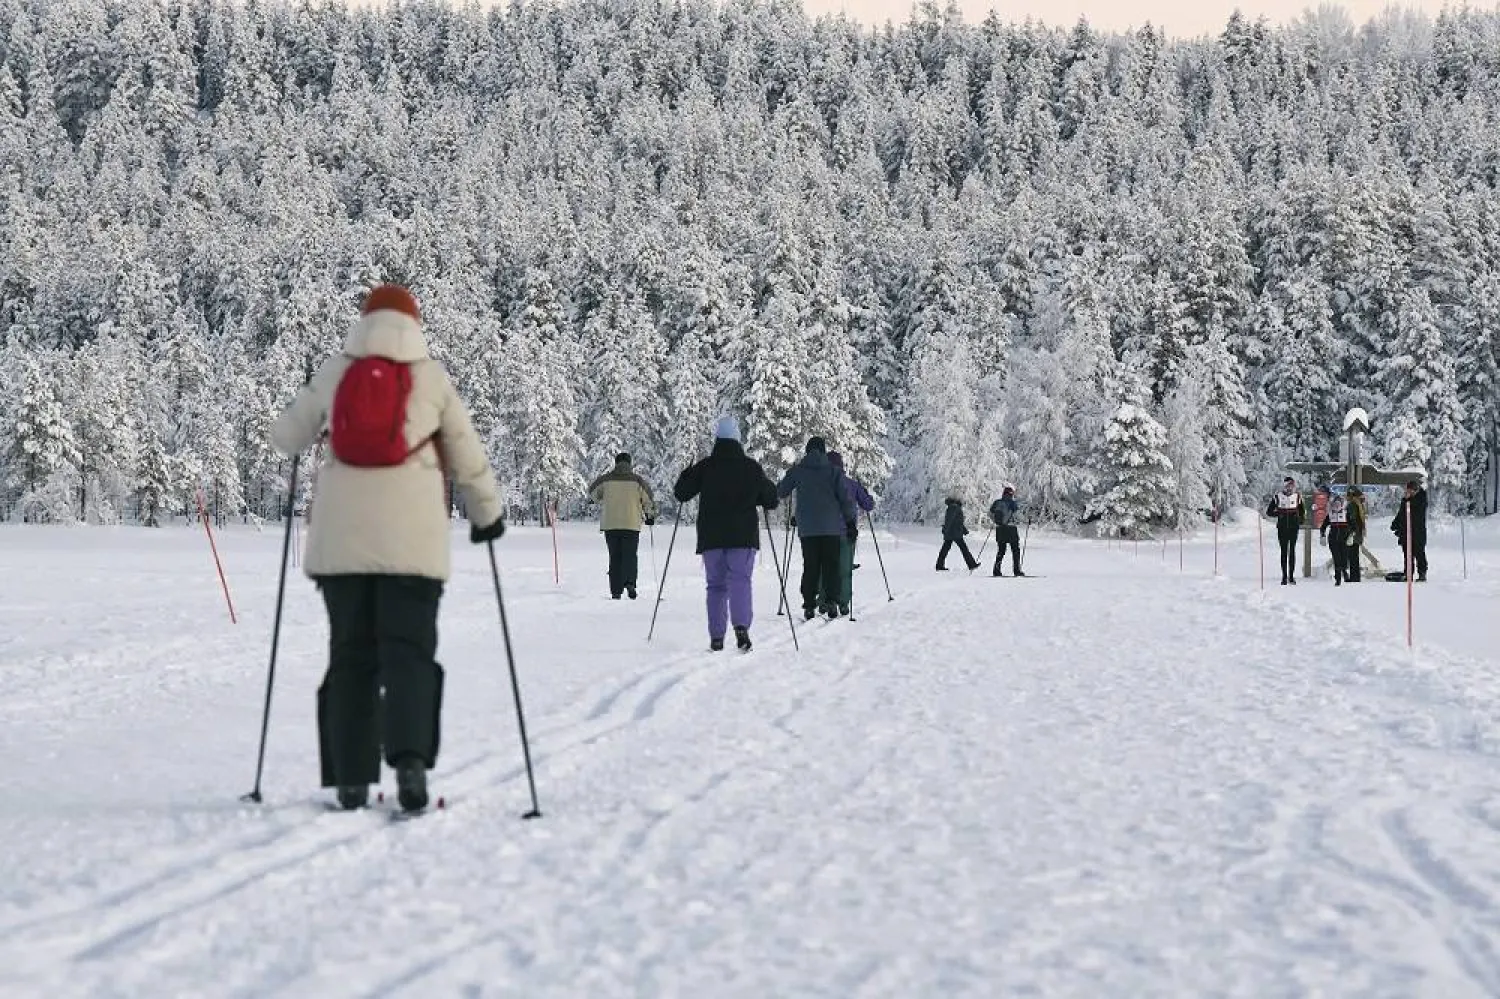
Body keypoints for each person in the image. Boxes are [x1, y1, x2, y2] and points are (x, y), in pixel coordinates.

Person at [271, 284, 505, 813]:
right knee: (410, 656)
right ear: (414, 323)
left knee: (350, 656)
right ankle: (411, 768)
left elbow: (285, 436)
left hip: (341, 550)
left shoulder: (338, 372)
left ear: (365, 320)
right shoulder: (431, 378)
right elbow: (468, 456)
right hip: (413, 551)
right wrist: (486, 515)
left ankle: (351, 782)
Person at [673, 416, 779, 651]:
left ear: (717, 438)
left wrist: (686, 474)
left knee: (716, 586)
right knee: (741, 581)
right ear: (738, 439)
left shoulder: (706, 466)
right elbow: (771, 500)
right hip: (742, 537)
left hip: (711, 537)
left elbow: (681, 493)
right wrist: (765, 488)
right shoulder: (751, 467)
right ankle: (741, 628)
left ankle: (717, 636)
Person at [778, 437, 858, 620]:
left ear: (807, 451)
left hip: (808, 529)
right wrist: (850, 523)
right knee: (831, 566)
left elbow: (781, 491)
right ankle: (831, 602)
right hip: (831, 528)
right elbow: (845, 499)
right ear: (823, 451)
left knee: (811, 565)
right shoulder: (834, 472)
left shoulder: (797, 471)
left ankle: (808, 604)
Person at [588, 452, 658, 600]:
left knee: (615, 557)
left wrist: (596, 500)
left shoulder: (606, 479)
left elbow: (592, 494)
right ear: (629, 463)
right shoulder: (638, 481)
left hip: (611, 525)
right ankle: (630, 583)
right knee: (630, 555)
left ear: (616, 463)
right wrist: (650, 516)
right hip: (631, 525)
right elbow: (648, 500)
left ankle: (616, 591)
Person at [819, 451, 875, 616]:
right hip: (846, 534)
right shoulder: (852, 484)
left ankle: (823, 602)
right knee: (844, 569)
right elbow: (869, 505)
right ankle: (843, 603)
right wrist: (865, 492)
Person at [1266, 477, 1305, 585]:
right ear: (1284, 486)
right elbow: (1269, 512)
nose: (1290, 488)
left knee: (1292, 550)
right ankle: (1284, 576)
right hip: (1282, 527)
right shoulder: (1278, 497)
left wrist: (1299, 520)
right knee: (1284, 551)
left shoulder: (1297, 497)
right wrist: (1279, 514)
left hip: (1293, 527)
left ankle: (1291, 577)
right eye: (1288, 485)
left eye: (1292, 485)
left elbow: (1302, 511)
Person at [1391, 479, 1429, 581]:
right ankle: (1408, 574)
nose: (1408, 493)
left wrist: (1407, 501)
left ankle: (1422, 573)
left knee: (1419, 553)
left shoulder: (1421, 499)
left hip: (1417, 533)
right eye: (1407, 491)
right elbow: (1401, 513)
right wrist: (1395, 524)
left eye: (1410, 491)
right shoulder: (1406, 501)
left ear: (1414, 490)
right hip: (1406, 533)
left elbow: (1415, 512)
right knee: (1407, 555)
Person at [988, 486, 1025, 577]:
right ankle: (1016, 570)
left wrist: (996, 522)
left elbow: (990, 513)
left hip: (1000, 529)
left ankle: (996, 570)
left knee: (1001, 550)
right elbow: (1018, 516)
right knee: (1015, 550)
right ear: (1011, 494)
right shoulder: (1012, 503)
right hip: (1011, 529)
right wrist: (1026, 519)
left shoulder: (997, 502)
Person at [1319, 491, 1354, 586]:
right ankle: (1338, 578)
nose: (1337, 506)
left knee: (1344, 559)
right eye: (1335, 504)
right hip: (1333, 540)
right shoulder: (1330, 515)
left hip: (1344, 539)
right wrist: (1322, 535)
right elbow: (1323, 526)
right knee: (1337, 559)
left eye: (1339, 504)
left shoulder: (1346, 513)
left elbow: (1353, 526)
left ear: (1342, 504)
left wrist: (1351, 535)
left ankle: (1344, 571)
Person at [937, 496, 980, 571]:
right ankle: (971, 564)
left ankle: (939, 565)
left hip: (952, 532)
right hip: (955, 533)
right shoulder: (954, 507)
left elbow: (957, 521)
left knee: (945, 549)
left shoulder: (953, 507)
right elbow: (950, 520)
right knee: (964, 549)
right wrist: (945, 529)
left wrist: (964, 530)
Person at [1345, 486, 1367, 582]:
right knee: (1355, 555)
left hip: (1353, 533)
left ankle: (1354, 577)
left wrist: (1351, 531)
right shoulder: (1359, 504)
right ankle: (1355, 576)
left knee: (1352, 555)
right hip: (1358, 533)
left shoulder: (1352, 505)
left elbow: (1352, 518)